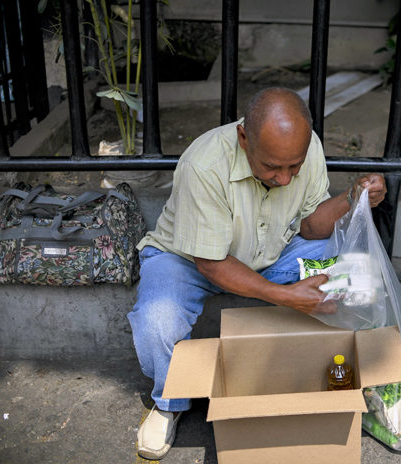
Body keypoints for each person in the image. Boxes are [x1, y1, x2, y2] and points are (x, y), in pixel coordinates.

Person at [128, 87, 387, 460]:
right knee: (157, 319)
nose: (284, 178)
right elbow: (211, 263)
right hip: (189, 259)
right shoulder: (203, 164)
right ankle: (169, 402)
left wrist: (351, 198)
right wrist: (287, 296)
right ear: (243, 137)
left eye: (293, 167)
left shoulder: (306, 147)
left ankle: (346, 380)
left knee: (350, 271)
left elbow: (312, 227)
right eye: (271, 167)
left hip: (273, 251)